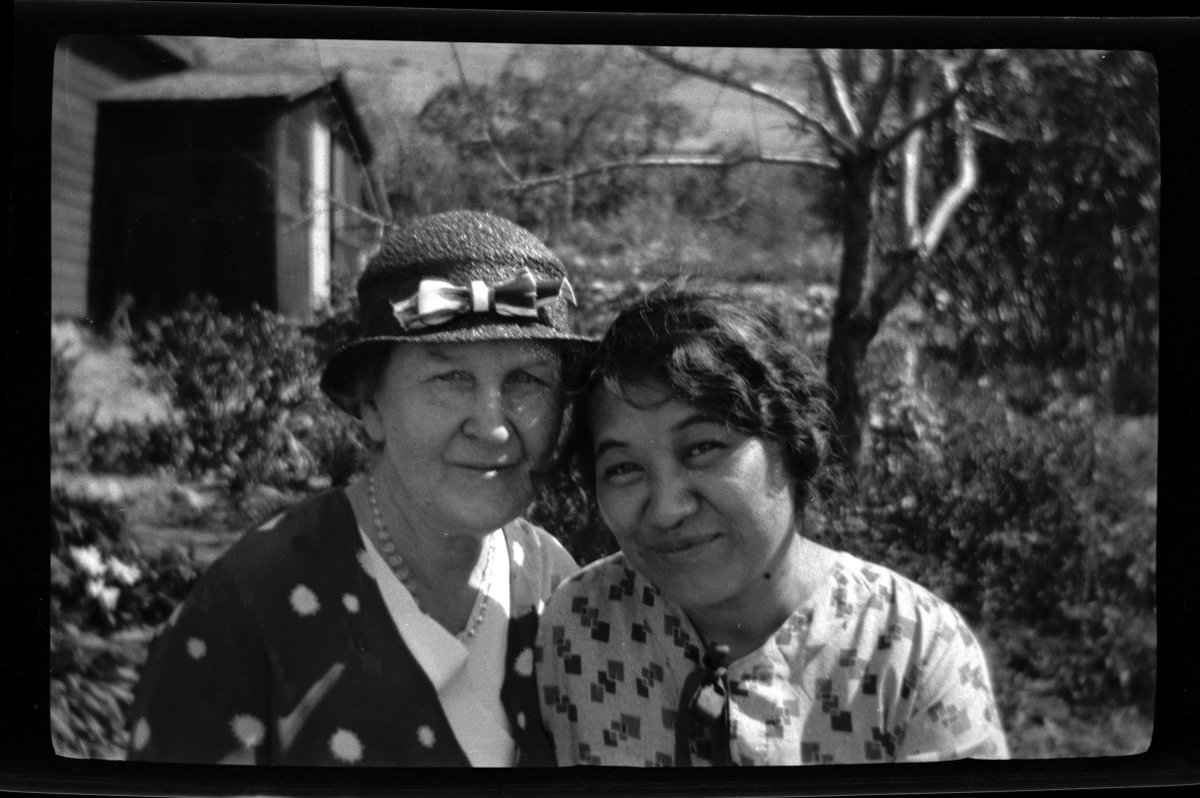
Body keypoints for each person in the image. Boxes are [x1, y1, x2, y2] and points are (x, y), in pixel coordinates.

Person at [126, 210, 589, 766]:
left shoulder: (560, 589)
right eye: (451, 378)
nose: (492, 426)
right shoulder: (250, 604)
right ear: (371, 405)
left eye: (527, 380)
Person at [535, 283, 1010, 766]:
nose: (666, 509)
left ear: (790, 441)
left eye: (703, 447)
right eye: (623, 468)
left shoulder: (910, 647)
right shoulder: (580, 627)